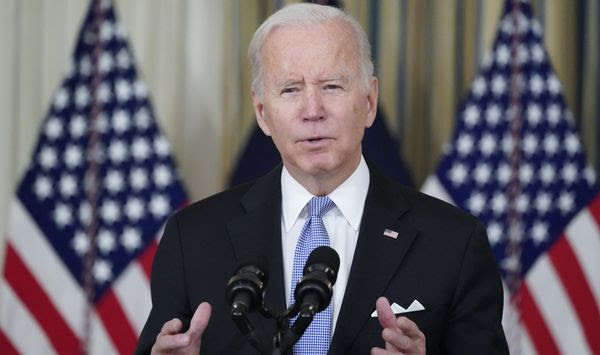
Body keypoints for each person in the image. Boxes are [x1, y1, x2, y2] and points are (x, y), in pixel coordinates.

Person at [135, 3, 508, 354]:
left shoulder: (453, 243)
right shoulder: (194, 238)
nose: (312, 110)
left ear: (369, 101)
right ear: (263, 113)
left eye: (332, 86)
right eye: (290, 90)